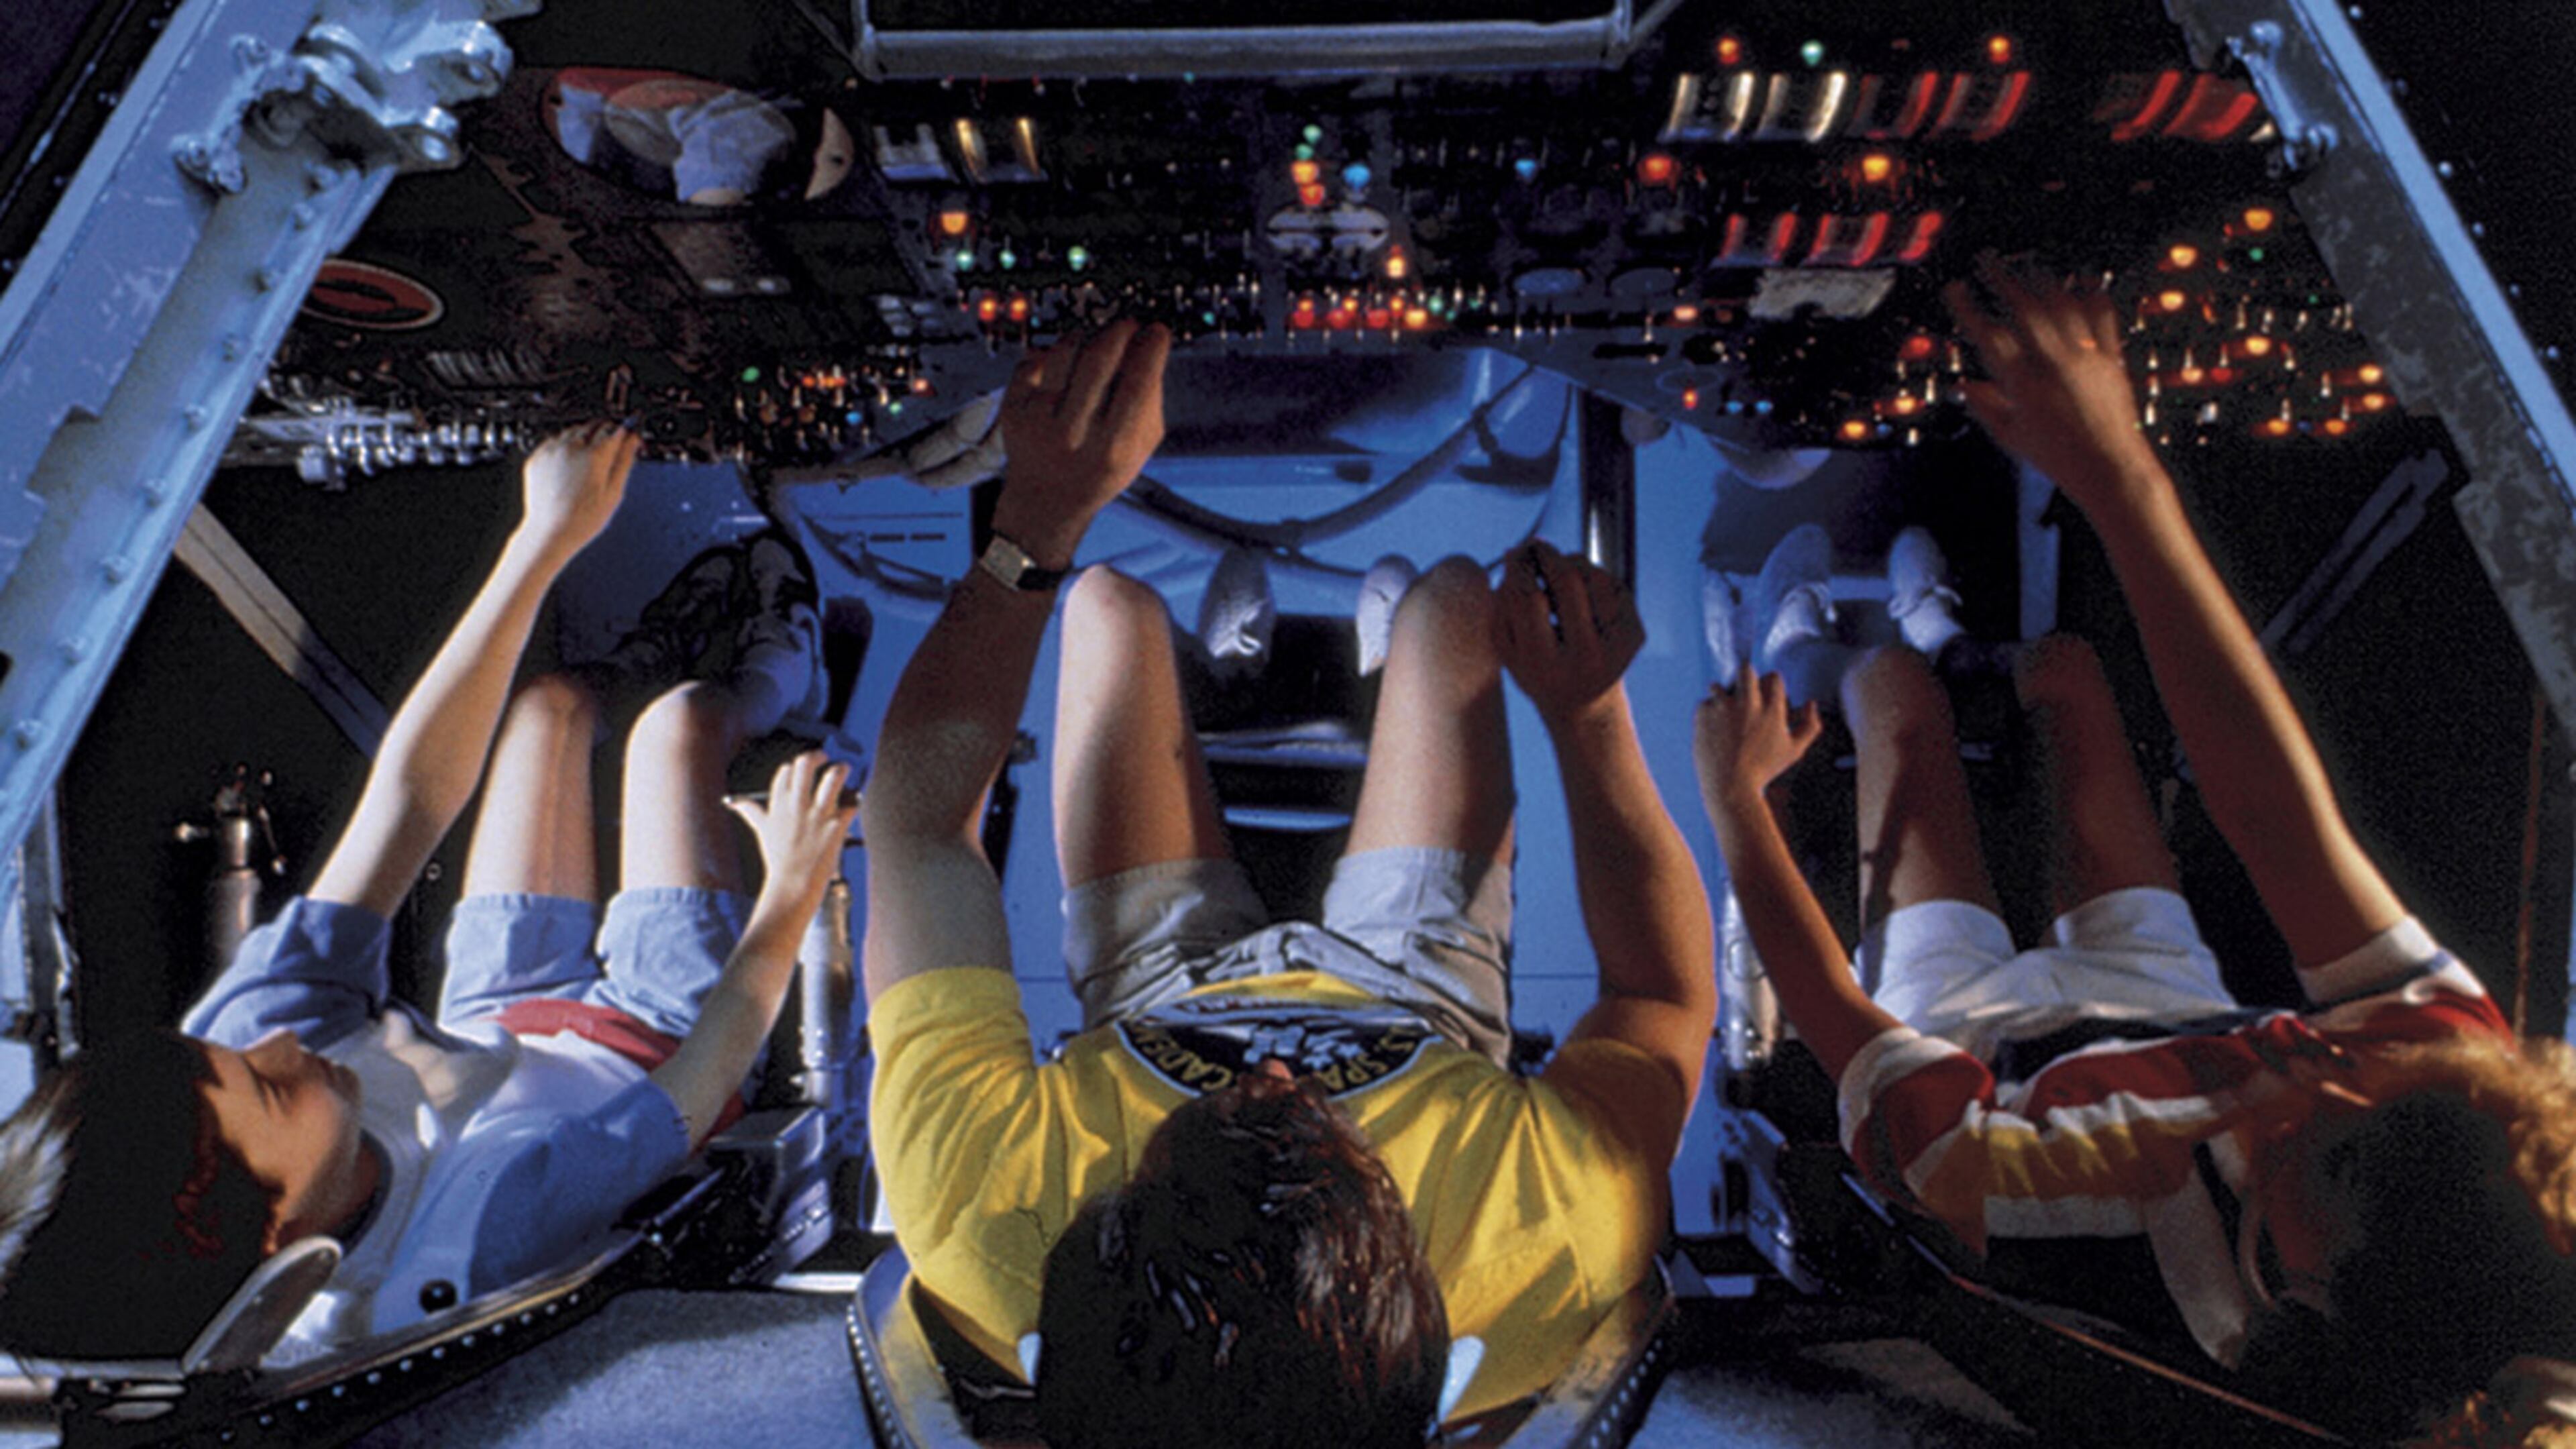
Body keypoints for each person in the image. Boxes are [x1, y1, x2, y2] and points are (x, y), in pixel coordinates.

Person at [1693, 261, 2576, 1448]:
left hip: (1982, 1046)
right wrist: (2119, 473)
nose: (2329, 1065)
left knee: (1894, 704)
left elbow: (1844, 1020)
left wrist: (1733, 795)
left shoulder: (2056, 1219)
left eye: (2327, 1143)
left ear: (2306, 1285)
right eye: (2383, 1075)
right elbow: (2277, 816)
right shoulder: (2437, 1080)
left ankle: (1791, 647)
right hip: (2169, 1012)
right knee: (2066, 673)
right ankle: (1952, 637)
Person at [861, 319, 1715, 1445]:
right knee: (1450, 607)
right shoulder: (1547, 1238)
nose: (1271, 1067)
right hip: (1415, 1000)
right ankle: (1383, 645)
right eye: (1312, 1121)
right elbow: (1660, 998)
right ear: (1428, 1304)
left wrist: (1038, 521)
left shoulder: (986, 1214)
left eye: (1216, 1121)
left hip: (1154, 994)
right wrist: (1590, 718)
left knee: (1107, 604)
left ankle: (1237, 654)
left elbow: (921, 827)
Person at [0, 423, 858, 1361]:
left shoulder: (237, 1043)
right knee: (677, 732)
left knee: (550, 713)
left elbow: (407, 804)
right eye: (271, 1092)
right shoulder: (471, 1244)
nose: (279, 1042)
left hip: (500, 1020)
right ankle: (780, 667)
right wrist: (791, 892)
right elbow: (691, 1093)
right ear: (275, 1237)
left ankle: (669, 638)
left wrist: (541, 544)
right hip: (659, 1046)